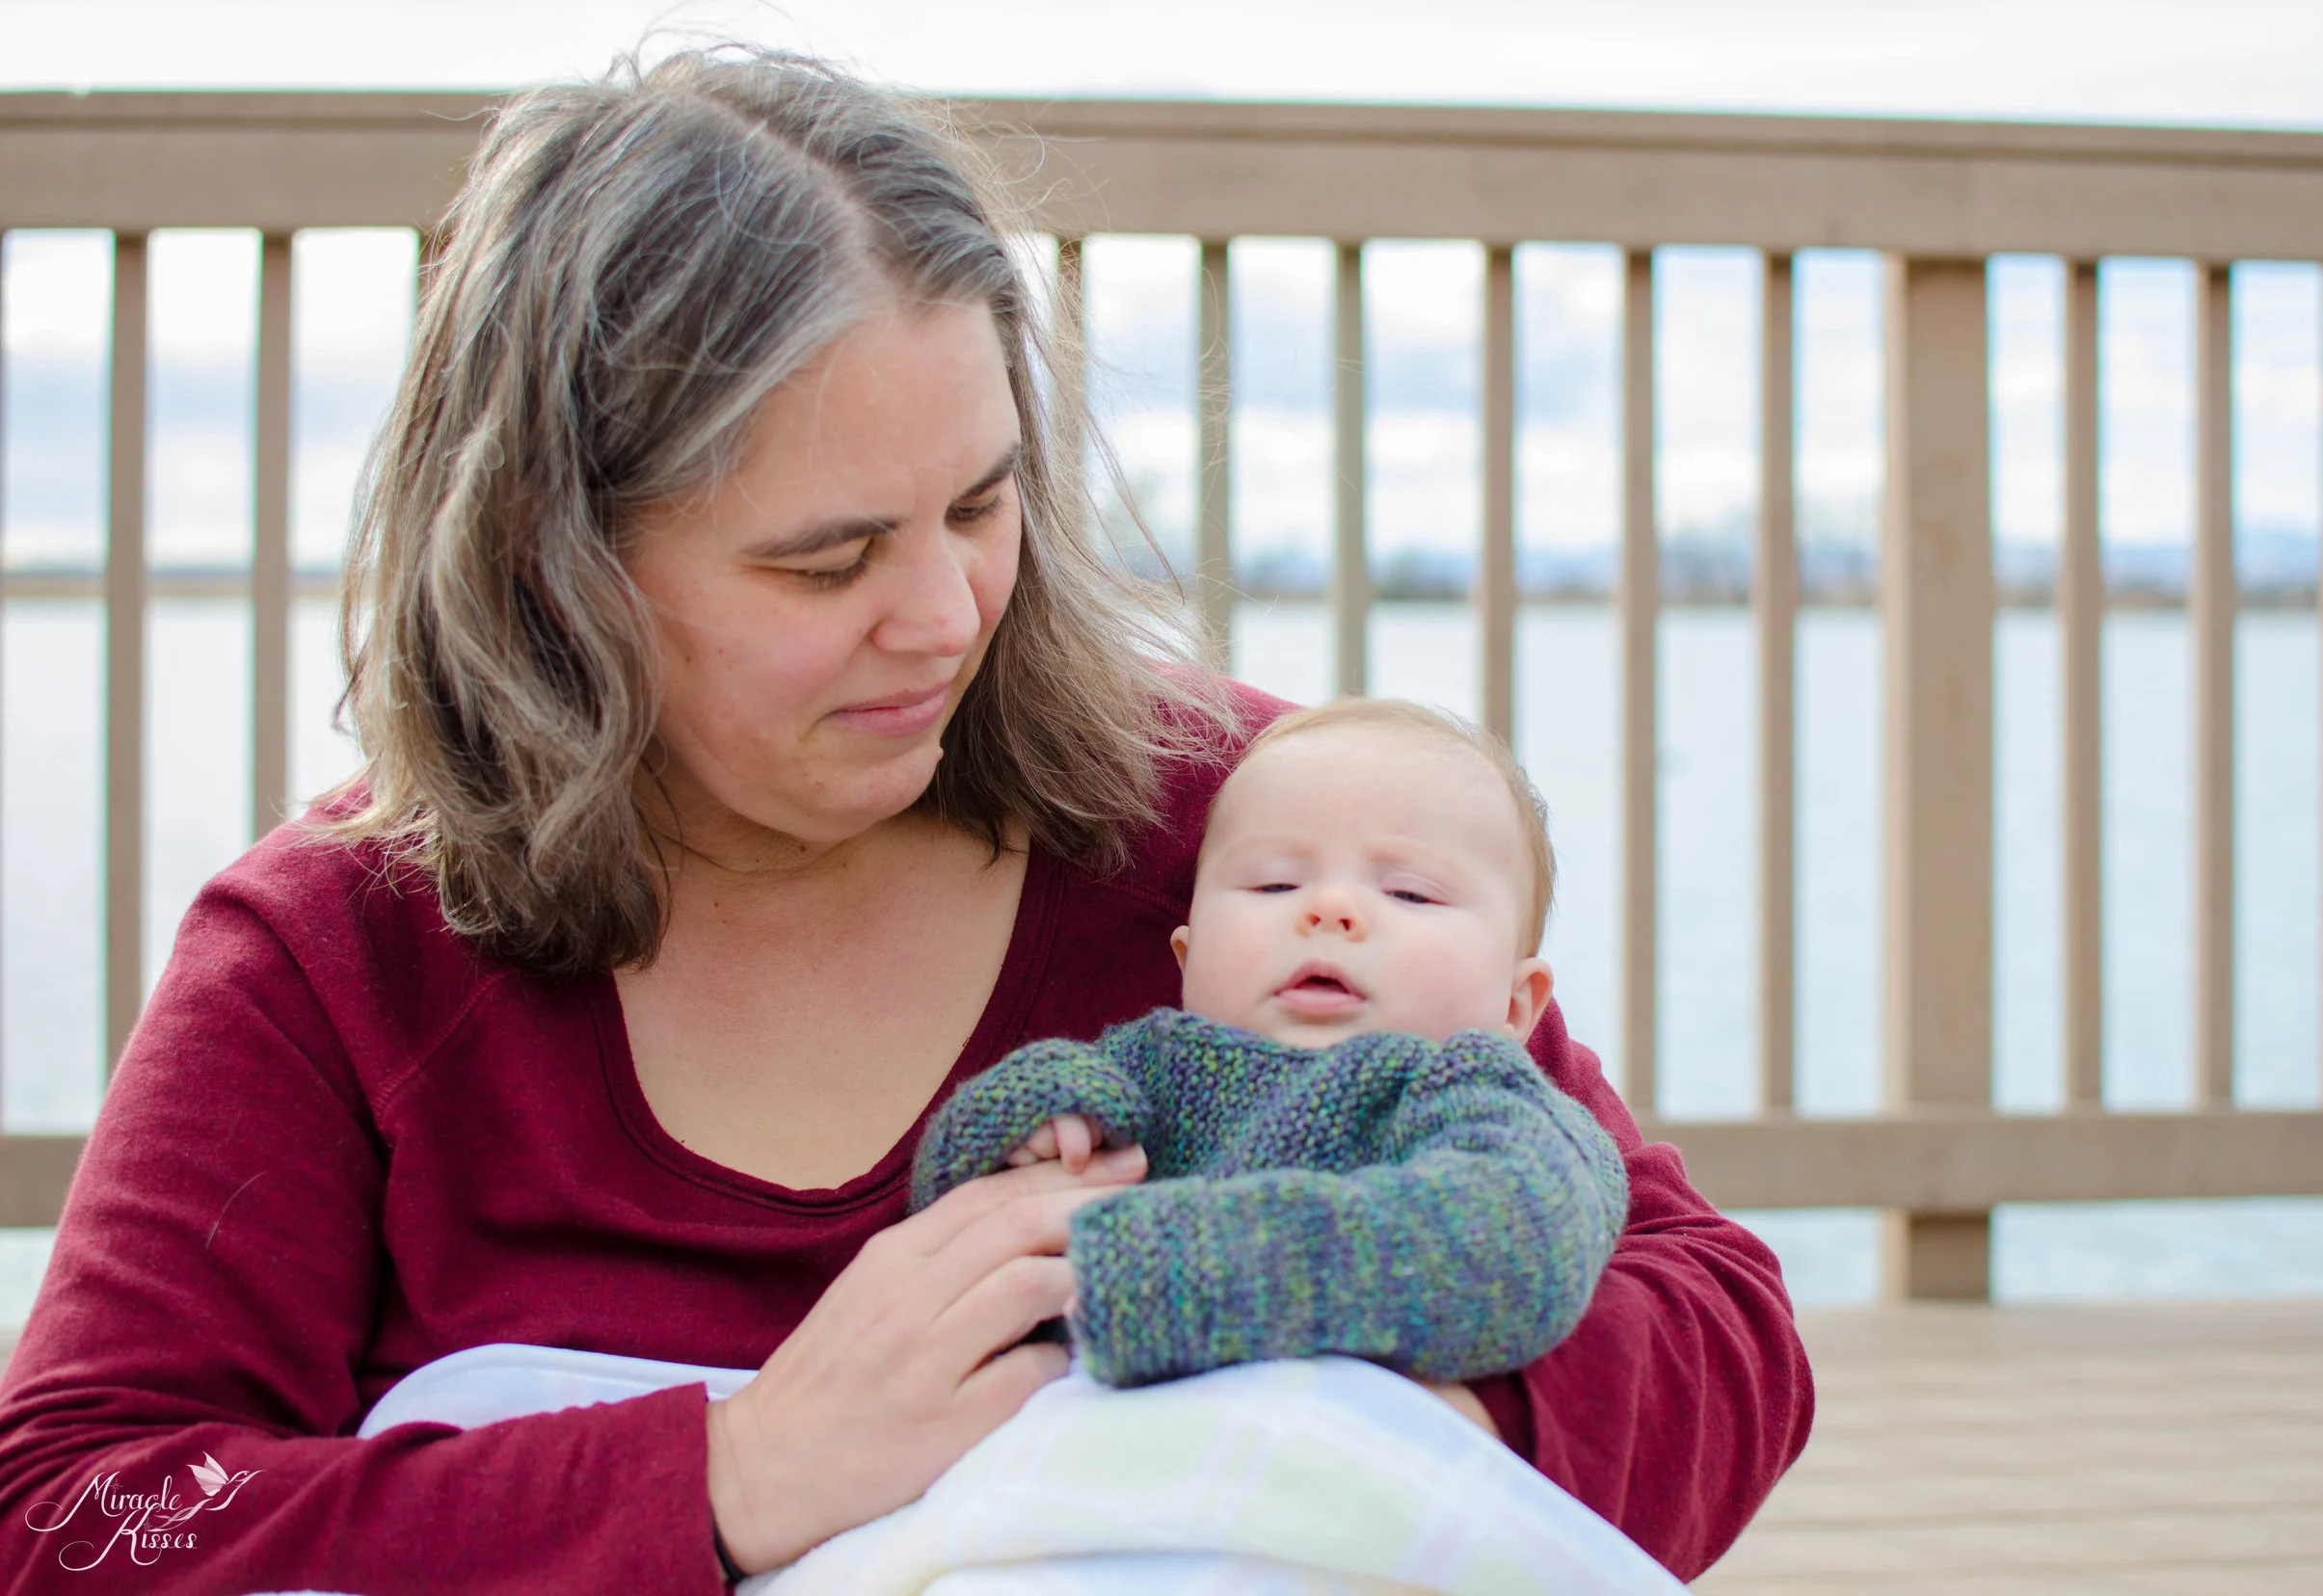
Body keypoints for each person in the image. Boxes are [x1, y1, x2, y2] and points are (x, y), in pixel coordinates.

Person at [0, 45, 1811, 1595]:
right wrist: (725, 1478)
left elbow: (1720, 1323)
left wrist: (1366, 1439)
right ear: (555, 568)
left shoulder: (1258, 842)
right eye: (829, 558)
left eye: (981, 503)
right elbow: (74, 1512)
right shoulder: (338, 953)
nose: (948, 616)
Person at [914, 698, 1631, 1390]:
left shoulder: (1481, 1097)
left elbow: (1514, 1243)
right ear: (1189, 958)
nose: (1330, 909)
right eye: (1274, 883)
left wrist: (1173, 1272)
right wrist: (1023, 1127)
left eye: (1410, 894)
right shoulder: (1142, 1072)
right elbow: (945, 1218)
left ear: (1514, 1006)